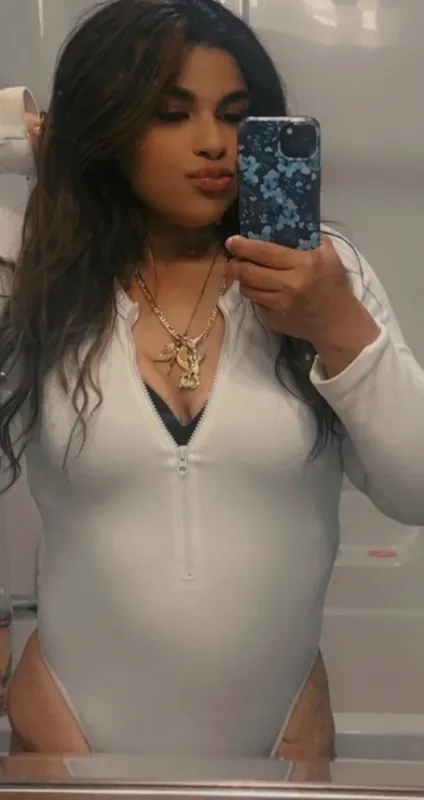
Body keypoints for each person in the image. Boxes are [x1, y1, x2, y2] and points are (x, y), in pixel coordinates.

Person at [1, 0, 424, 763]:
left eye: (235, 116)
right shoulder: (36, 283)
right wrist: (28, 150)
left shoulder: (322, 277)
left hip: (280, 747)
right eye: (171, 114)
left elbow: (417, 488)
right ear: (105, 125)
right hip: (64, 742)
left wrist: (337, 325)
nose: (214, 144)